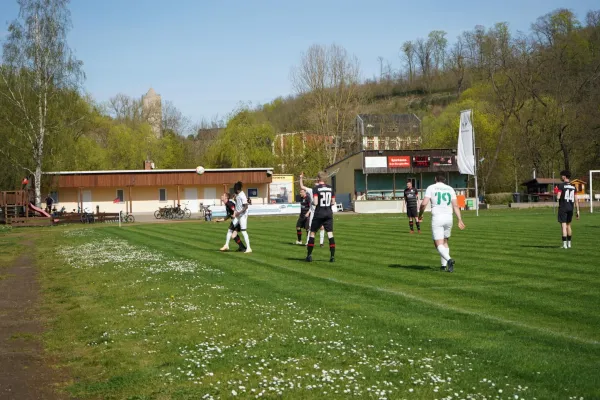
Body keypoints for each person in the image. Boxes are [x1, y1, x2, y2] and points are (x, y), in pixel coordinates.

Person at [418, 175, 465, 272]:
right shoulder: (450, 188)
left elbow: (423, 204)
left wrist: (420, 214)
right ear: (444, 180)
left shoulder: (431, 187)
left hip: (438, 217)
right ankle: (443, 266)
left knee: (438, 243)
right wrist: (459, 219)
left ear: (435, 179)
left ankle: (449, 260)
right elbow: (455, 205)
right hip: (449, 217)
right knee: (445, 242)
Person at [306, 171, 336, 263]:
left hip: (319, 213)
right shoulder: (331, 188)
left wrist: (312, 203)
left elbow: (315, 202)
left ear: (318, 178)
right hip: (328, 213)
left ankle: (309, 255)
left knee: (312, 233)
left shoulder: (316, 188)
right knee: (330, 234)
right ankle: (332, 257)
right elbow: (333, 202)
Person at [556, 170, 580, 249]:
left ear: (564, 176)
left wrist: (557, 196)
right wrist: (578, 211)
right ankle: (569, 244)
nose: (561, 177)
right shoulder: (573, 187)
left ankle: (564, 245)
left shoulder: (561, 185)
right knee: (568, 225)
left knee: (563, 226)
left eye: (562, 175)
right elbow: (576, 200)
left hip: (563, 208)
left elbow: (558, 196)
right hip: (571, 208)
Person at [300, 173, 325, 247]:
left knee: (322, 227)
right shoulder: (311, 190)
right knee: (311, 228)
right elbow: (302, 186)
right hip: (314, 212)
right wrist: (301, 178)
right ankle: (308, 242)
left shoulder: (321, 190)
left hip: (320, 212)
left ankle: (321, 243)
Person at [232, 181, 252, 253]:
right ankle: (241, 247)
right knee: (231, 229)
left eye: (234, 188)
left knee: (243, 231)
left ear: (237, 189)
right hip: (238, 215)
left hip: (242, 215)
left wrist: (238, 213)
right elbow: (238, 205)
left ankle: (248, 248)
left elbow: (246, 206)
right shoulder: (238, 195)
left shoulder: (242, 195)